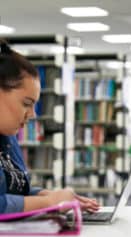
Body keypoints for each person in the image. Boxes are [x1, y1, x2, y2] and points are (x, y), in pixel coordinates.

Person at [0, 39, 99, 213]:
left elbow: (15, 189)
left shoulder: (7, 137)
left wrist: (50, 196)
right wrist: (50, 203)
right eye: (26, 103)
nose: (33, 115)